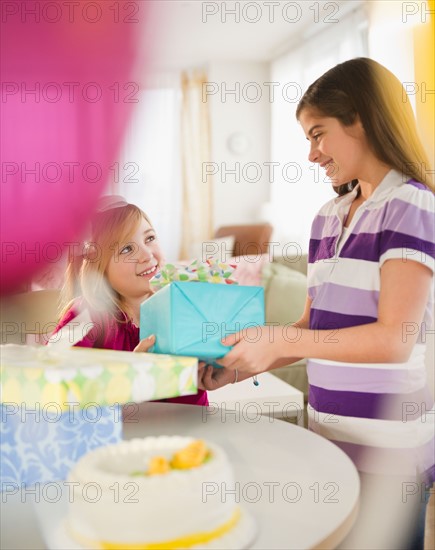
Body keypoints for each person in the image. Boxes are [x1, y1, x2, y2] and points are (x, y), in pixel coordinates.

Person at [201, 58, 434, 548]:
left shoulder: (411, 206)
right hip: (328, 434)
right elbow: (313, 325)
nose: (311, 154)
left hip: (390, 449)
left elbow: (396, 339)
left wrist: (282, 337)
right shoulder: (326, 219)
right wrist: (242, 367)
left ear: (363, 120)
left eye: (318, 133)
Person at [50, 195, 208, 406]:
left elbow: (191, 407)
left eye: (149, 238)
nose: (146, 255)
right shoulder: (86, 315)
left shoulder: (180, 310)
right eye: (127, 249)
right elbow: (49, 380)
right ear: (101, 269)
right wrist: (130, 377)